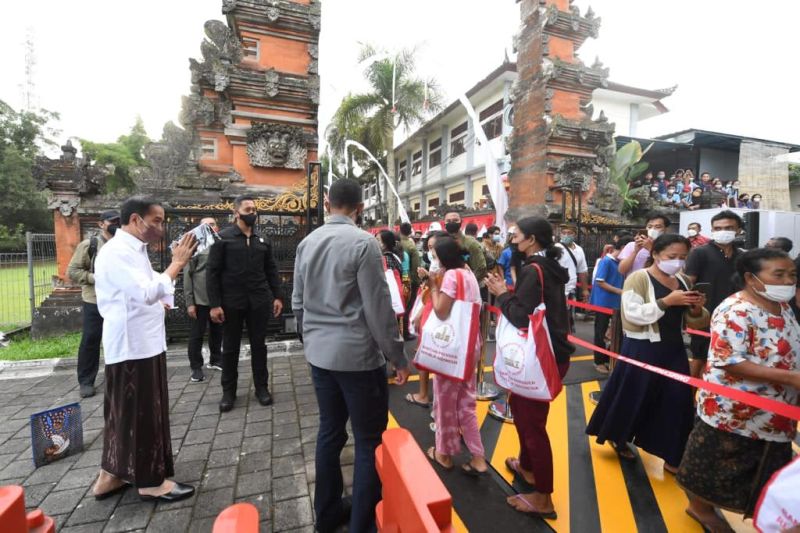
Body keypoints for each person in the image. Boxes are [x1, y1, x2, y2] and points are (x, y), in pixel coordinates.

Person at [292, 178, 409, 533]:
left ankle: (326, 516)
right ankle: (361, 522)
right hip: (357, 358)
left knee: (330, 431)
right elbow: (378, 309)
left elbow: (298, 302)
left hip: (320, 355)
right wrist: (397, 356)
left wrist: (310, 339)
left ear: (328, 203)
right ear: (360, 208)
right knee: (368, 438)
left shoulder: (306, 243)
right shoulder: (364, 244)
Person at [677, 248, 800, 532]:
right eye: (778, 275)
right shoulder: (736, 310)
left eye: (791, 275)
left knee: (766, 465)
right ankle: (700, 508)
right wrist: (791, 378)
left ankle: (761, 510)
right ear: (751, 278)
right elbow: (728, 361)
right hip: (733, 409)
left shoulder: (783, 307)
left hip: (775, 410)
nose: (787, 281)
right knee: (715, 463)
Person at [92, 196, 197, 502]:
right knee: (140, 415)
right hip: (133, 347)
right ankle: (151, 482)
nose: (161, 228)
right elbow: (145, 292)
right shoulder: (116, 253)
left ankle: (111, 475)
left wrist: (165, 290)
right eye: (158, 221)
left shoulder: (132, 250)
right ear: (137, 220)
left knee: (124, 414)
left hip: (143, 344)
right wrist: (177, 263)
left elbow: (151, 284)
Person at [586, 234, 709, 473]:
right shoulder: (638, 278)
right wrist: (666, 302)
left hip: (673, 348)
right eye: (671, 256)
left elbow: (696, 320)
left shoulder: (682, 280)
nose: (678, 262)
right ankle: (618, 436)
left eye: (683, 257)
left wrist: (695, 307)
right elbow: (632, 315)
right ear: (655, 254)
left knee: (678, 399)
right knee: (633, 395)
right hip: (643, 347)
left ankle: (674, 455)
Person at [485, 217, 574, 519]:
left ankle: (544, 498)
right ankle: (527, 467)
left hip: (541, 358)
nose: (512, 240)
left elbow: (521, 317)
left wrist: (501, 294)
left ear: (532, 239)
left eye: (516, 235)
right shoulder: (548, 267)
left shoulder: (531, 270)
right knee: (524, 415)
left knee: (532, 425)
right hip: (550, 354)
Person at [207, 195, 284, 412]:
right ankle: (228, 393)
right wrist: (214, 304)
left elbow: (271, 269)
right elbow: (212, 273)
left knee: (259, 346)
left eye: (255, 210)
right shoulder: (222, 238)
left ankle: (262, 388)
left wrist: (277, 296)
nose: (253, 213)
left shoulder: (263, 239)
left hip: (259, 301)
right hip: (231, 303)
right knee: (230, 348)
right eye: (248, 209)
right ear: (236, 213)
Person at [421, 236, 488, 476]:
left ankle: (444, 453)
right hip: (471, 343)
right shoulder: (468, 273)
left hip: (451, 347)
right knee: (466, 402)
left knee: (445, 402)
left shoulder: (451, 276)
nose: (433, 258)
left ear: (443, 257)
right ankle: (478, 457)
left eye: (435, 254)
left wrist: (432, 284)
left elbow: (440, 310)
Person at [684, 210, 745, 378]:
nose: (722, 231)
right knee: (699, 359)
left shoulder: (742, 256)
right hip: (706, 317)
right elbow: (688, 282)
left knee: (728, 360)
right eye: (717, 228)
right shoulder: (700, 253)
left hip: (735, 317)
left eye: (728, 227)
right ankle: (686, 401)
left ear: (738, 230)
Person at [67, 210, 120, 398]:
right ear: (101, 224)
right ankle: (86, 381)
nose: (116, 225)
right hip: (94, 300)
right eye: (112, 222)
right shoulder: (90, 245)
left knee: (118, 339)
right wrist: (94, 277)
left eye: (119, 221)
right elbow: (72, 271)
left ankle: (117, 377)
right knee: (91, 339)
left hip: (118, 300)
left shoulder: (124, 245)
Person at [183, 216, 223, 383]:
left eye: (212, 224)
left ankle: (216, 359)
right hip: (200, 299)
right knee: (197, 335)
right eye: (204, 226)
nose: (209, 227)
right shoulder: (194, 247)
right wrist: (190, 302)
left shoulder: (222, 244)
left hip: (219, 298)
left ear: (217, 228)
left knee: (217, 332)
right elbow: (187, 275)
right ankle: (196, 367)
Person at [589, 237, 632, 374]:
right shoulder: (606, 261)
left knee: (615, 332)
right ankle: (599, 361)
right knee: (600, 332)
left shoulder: (622, 262)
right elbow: (600, 281)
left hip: (616, 303)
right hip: (603, 302)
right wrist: (620, 291)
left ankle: (609, 357)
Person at [618, 213, 671, 277]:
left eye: (657, 227)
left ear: (666, 229)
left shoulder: (669, 248)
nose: (652, 229)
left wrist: (650, 249)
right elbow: (621, 270)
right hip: (634, 285)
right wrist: (635, 251)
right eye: (649, 227)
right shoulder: (632, 245)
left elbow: (668, 270)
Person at [443, 211, 487, 283]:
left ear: (461, 222)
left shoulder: (471, 243)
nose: (452, 223)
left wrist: (466, 283)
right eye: (448, 221)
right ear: (444, 223)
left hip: (472, 287)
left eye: (455, 220)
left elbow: (481, 268)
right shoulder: (441, 242)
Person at [399, 222, 421, 340]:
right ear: (410, 231)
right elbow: (416, 266)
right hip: (408, 278)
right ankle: (405, 332)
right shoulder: (411, 246)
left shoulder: (395, 242)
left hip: (396, 278)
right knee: (407, 306)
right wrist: (416, 281)